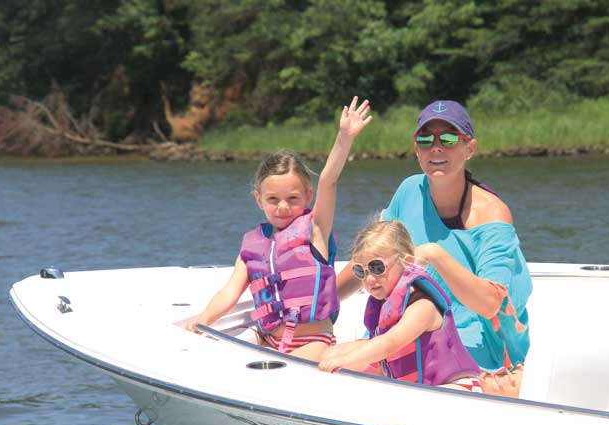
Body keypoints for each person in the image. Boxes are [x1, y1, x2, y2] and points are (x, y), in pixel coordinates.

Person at [337, 100, 531, 394]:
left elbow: (491, 303)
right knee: (322, 359)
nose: (436, 147)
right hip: (404, 336)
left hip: (469, 351)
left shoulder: (492, 214)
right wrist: (321, 305)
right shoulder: (409, 190)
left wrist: (436, 254)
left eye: (449, 139)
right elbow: (370, 260)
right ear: (416, 149)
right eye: (425, 140)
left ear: (470, 148)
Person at [187, 96, 372, 360]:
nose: (282, 207)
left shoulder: (315, 229)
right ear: (258, 199)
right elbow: (230, 292)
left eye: (293, 199)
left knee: (300, 369)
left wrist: (344, 137)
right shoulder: (252, 246)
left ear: (308, 197)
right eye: (273, 199)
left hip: (313, 341)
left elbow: (329, 181)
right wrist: (203, 318)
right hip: (266, 337)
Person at [319, 221, 482, 392]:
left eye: (377, 267)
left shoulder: (422, 307)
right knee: (331, 355)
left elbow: (391, 342)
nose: (368, 279)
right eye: (361, 271)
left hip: (458, 387)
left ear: (407, 262)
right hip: (419, 387)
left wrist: (344, 361)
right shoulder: (386, 305)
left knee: (343, 360)